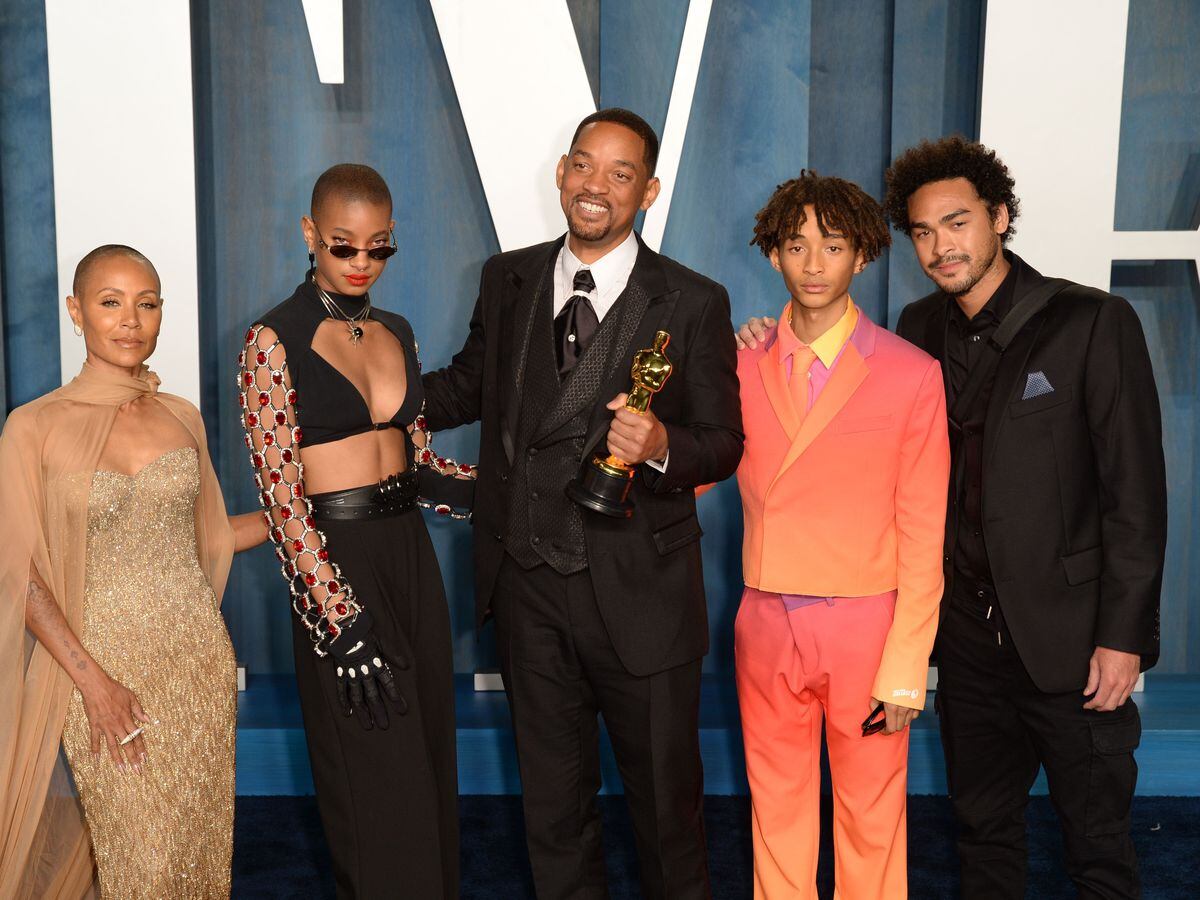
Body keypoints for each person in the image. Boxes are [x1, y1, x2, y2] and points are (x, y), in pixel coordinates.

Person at [739, 137, 1168, 898]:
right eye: (925, 232)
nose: (942, 246)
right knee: (983, 833)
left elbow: (1135, 495)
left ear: (1000, 218)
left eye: (959, 223)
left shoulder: (1091, 322)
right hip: (968, 641)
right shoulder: (916, 330)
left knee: (1097, 846)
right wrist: (763, 343)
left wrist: (1122, 638)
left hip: (1069, 636)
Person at [421, 108, 743, 899]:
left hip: (643, 599)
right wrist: (366, 389)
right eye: (583, 166)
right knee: (554, 813)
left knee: (667, 818)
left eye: (620, 172)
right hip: (529, 587)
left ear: (649, 190)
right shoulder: (507, 277)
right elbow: (469, 385)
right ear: (561, 174)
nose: (596, 186)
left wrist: (663, 443)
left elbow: (725, 442)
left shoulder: (693, 301)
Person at [0, 245, 265, 899]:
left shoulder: (182, 417)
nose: (130, 320)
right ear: (76, 311)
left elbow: (210, 540)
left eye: (147, 304)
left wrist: (313, 514)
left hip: (196, 665)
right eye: (110, 302)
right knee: (141, 868)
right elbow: (21, 574)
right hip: (100, 677)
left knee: (193, 859)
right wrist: (95, 685)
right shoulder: (31, 428)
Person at [239, 164, 470, 898]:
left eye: (380, 248)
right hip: (336, 569)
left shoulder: (396, 330)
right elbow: (282, 499)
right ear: (311, 235)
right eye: (344, 247)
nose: (362, 263)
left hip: (409, 559)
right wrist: (335, 618)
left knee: (428, 761)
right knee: (373, 778)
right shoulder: (271, 340)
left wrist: (513, 496)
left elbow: (421, 459)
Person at [730, 172, 948, 898]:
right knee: (776, 807)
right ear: (773, 256)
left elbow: (924, 531)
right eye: (797, 246)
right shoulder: (736, 363)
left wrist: (907, 665)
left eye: (833, 246)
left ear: (862, 255)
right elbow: (693, 475)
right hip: (763, 615)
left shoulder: (911, 374)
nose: (814, 264)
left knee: (871, 816)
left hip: (868, 623)